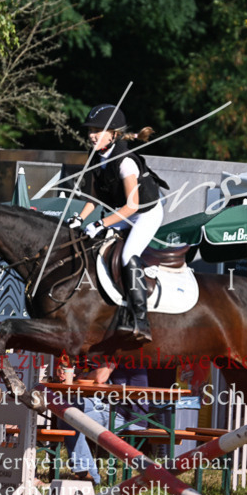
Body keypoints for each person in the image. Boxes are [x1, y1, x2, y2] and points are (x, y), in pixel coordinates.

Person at [66, 104, 167, 343]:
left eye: (98, 130)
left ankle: (140, 320)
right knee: (96, 246)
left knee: (127, 255)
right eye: (91, 130)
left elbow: (132, 207)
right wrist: (80, 218)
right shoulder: (98, 159)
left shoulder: (125, 162)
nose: (92, 135)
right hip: (124, 212)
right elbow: (95, 197)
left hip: (145, 213)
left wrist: (101, 224)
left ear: (114, 134)